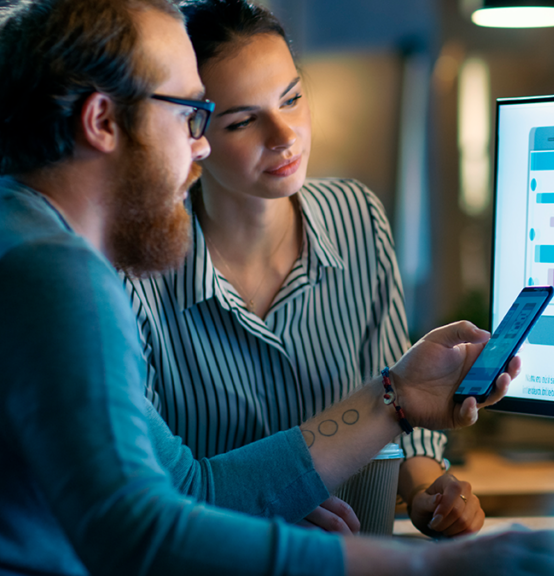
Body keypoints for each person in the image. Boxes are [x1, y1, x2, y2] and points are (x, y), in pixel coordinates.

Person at [0, 1, 554, 575]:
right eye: (193, 115)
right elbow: (141, 540)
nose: (200, 145)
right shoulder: (47, 274)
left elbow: (191, 493)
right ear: (103, 121)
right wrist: (426, 570)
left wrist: (395, 398)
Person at [123, 0, 479, 537]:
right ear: (192, 133)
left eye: (291, 99)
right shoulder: (138, 272)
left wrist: (431, 493)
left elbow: (400, 411)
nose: (284, 135)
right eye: (244, 120)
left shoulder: (357, 217)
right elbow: (145, 489)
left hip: (362, 560)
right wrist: (258, 506)